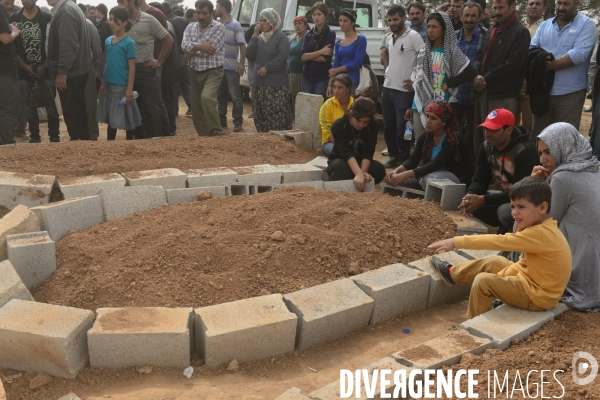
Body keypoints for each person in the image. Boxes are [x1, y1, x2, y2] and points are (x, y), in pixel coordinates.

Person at [428, 176, 572, 319]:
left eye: (521, 207)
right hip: (533, 283)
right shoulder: (543, 227)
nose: (515, 212)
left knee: (483, 282)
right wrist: (503, 276)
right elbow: (525, 265)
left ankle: (475, 327)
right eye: (513, 206)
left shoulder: (540, 234)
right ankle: (453, 274)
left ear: (542, 207)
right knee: (493, 262)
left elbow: (498, 241)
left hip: (538, 297)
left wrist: (456, 241)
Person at [532, 123, 600, 312]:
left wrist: (533, 184)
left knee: (529, 235)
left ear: (565, 147)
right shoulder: (594, 166)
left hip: (584, 281)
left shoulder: (562, 178)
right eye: (540, 154)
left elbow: (542, 222)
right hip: (595, 272)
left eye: (548, 152)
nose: (544, 159)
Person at [458, 109, 538, 232]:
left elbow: (521, 192)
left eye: (494, 130)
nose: (487, 134)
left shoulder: (524, 151)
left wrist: (483, 200)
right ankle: (504, 229)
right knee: (472, 206)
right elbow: (480, 179)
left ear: (509, 130)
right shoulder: (486, 147)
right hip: (506, 196)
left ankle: (515, 236)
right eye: (486, 129)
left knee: (504, 212)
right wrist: (471, 195)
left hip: (527, 200)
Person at [528, 0, 596, 138]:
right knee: (541, 138)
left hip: (570, 94)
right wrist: (542, 59)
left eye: (566, 4)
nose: (561, 7)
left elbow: (579, 54)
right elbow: (532, 48)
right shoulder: (545, 25)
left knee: (565, 139)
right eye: (559, 3)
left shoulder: (587, 25)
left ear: (577, 4)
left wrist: (549, 65)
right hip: (543, 92)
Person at [473, 0, 529, 153]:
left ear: (512, 7)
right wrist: (477, 76)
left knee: (499, 138)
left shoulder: (520, 32)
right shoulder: (493, 29)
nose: (497, 11)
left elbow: (513, 65)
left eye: (501, 8)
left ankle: (500, 174)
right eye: (495, 8)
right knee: (481, 137)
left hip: (503, 92)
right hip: (483, 89)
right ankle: (481, 174)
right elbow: (480, 55)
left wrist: (486, 78)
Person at [409, 11, 478, 138]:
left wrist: (450, 83)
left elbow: (471, 71)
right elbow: (418, 81)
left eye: (434, 27)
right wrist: (410, 106)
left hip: (443, 105)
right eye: (428, 26)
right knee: (421, 141)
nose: (430, 30)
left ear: (444, 30)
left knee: (440, 142)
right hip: (420, 103)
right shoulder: (423, 51)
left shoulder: (451, 51)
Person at [117, 0, 172, 139]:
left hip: (145, 71)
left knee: (149, 109)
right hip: (126, 72)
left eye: (121, 2)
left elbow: (168, 40)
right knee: (129, 108)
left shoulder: (149, 20)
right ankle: (134, 144)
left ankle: (154, 142)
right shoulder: (121, 23)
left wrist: (159, 61)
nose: (119, 6)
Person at [386, 101, 472, 189]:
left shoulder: (453, 138)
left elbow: (434, 165)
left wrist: (405, 175)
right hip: (432, 173)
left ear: (444, 122)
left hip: (454, 177)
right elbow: (413, 160)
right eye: (427, 116)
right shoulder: (426, 136)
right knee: (395, 179)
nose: (428, 121)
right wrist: (397, 171)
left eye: (433, 118)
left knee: (427, 179)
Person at [380, 5, 425, 168]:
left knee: (402, 128)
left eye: (396, 19)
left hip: (404, 92)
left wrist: (416, 81)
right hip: (388, 88)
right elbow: (386, 56)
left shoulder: (413, 36)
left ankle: (405, 159)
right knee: (388, 126)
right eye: (390, 20)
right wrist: (387, 70)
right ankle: (393, 155)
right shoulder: (389, 36)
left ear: (404, 19)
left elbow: (424, 60)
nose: (392, 23)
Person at [9, 0, 59, 143]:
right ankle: (35, 137)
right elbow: (13, 47)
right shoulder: (14, 18)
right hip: (24, 71)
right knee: (29, 108)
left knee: (51, 107)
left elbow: (53, 43)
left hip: (47, 70)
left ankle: (55, 137)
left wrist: (45, 65)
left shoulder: (46, 17)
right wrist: (24, 66)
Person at [47, 0, 91, 141]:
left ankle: (79, 149)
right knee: (77, 113)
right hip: (76, 71)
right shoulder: (69, 8)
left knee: (73, 115)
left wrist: (62, 72)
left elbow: (69, 45)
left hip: (71, 74)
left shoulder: (65, 11)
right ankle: (81, 146)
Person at [97, 6, 141, 140]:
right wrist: (103, 83)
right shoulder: (108, 41)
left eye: (116, 20)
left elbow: (132, 67)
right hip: (109, 84)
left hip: (121, 86)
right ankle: (110, 143)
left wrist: (129, 88)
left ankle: (129, 144)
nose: (112, 23)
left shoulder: (129, 43)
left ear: (124, 23)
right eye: (110, 19)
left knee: (127, 116)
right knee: (111, 116)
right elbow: (107, 63)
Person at [181, 0, 225, 137]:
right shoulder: (190, 27)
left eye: (204, 13)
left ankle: (215, 130)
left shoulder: (219, 28)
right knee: (196, 107)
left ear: (211, 13)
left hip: (213, 70)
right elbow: (183, 45)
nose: (201, 16)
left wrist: (192, 51)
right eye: (198, 13)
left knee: (206, 98)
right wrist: (200, 46)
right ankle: (204, 136)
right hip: (194, 71)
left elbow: (211, 50)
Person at [246, 8, 291, 133]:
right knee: (260, 113)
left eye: (265, 20)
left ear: (272, 21)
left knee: (277, 113)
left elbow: (282, 57)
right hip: (258, 83)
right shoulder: (259, 38)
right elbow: (249, 55)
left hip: (275, 84)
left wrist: (267, 67)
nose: (261, 23)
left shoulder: (281, 37)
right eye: (260, 20)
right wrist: (254, 36)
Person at [327, 97, 386, 191]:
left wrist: (363, 172)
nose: (361, 125)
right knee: (340, 169)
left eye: (366, 122)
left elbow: (369, 149)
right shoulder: (338, 125)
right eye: (358, 120)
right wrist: (358, 174)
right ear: (351, 114)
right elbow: (345, 151)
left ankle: (356, 179)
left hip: (361, 161)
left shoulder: (373, 124)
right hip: (341, 160)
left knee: (379, 170)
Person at [455, 1, 487, 159]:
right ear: (460, 17)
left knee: (476, 137)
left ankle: (474, 172)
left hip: (476, 96)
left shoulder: (487, 37)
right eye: (466, 15)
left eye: (473, 15)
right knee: (453, 135)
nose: (469, 19)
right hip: (456, 95)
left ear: (480, 17)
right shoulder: (452, 39)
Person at [515, 0, 545, 136]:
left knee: (529, 126)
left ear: (544, 8)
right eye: (531, 3)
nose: (534, 6)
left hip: (532, 83)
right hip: (514, 81)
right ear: (526, 7)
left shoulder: (547, 27)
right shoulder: (518, 27)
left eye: (538, 4)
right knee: (511, 123)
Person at [215, 0, 245, 132]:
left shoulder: (235, 25)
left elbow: (242, 44)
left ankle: (238, 122)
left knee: (235, 96)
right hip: (218, 67)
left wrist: (241, 63)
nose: (215, 8)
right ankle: (221, 121)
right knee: (220, 95)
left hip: (232, 68)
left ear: (222, 9)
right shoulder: (216, 25)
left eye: (216, 6)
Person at [299, 2, 335, 99]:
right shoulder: (308, 34)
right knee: (307, 106)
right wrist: (321, 51)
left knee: (318, 107)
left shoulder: (330, 34)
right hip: (307, 76)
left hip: (322, 77)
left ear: (325, 16)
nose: (316, 17)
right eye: (314, 14)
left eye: (319, 14)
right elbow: (302, 57)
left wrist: (309, 56)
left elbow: (324, 58)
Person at [327, 9, 366, 96]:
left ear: (353, 22)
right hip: (339, 82)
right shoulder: (338, 42)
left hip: (352, 83)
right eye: (340, 20)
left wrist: (336, 70)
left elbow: (357, 63)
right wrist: (330, 84)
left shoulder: (360, 39)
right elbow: (336, 64)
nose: (342, 23)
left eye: (345, 21)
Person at [162, 1, 190, 117]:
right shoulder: (183, 20)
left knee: (173, 85)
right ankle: (192, 106)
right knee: (184, 83)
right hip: (186, 55)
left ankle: (174, 110)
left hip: (175, 57)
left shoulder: (168, 24)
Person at [319, 74, 354, 157]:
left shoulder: (355, 104)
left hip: (351, 142)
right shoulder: (327, 105)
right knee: (340, 152)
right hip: (330, 143)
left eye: (340, 87)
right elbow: (327, 131)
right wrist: (345, 147)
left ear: (348, 89)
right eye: (334, 87)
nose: (336, 91)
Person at [0, 1, 19, 145]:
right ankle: (7, 145)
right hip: (4, 69)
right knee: (7, 108)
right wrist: (15, 32)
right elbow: (5, 39)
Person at [288, 15, 308, 113]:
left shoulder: (308, 38)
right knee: (293, 98)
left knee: (302, 100)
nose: (297, 26)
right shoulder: (292, 39)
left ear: (305, 25)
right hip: (292, 73)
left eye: (300, 23)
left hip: (303, 74)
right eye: (295, 24)